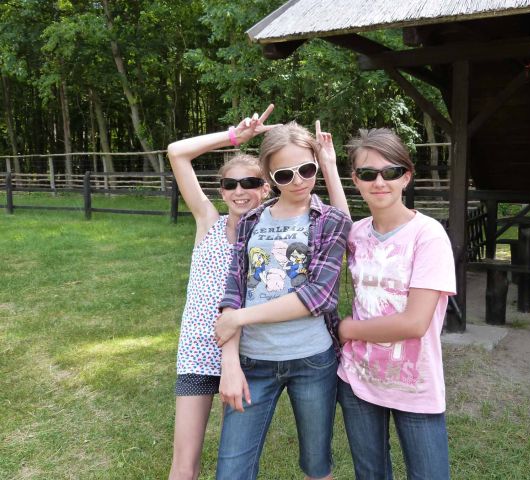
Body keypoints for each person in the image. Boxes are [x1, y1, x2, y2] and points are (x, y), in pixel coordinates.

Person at [213, 121, 352, 480]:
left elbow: (317, 296)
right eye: (285, 174)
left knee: (317, 465)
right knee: (231, 469)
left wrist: (240, 318)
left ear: (317, 165)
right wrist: (230, 363)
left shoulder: (330, 220)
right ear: (270, 177)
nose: (299, 181)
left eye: (307, 169)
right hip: (253, 362)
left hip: (312, 361)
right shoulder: (250, 220)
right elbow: (234, 287)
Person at [337, 128, 456, 480]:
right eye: (367, 173)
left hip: (413, 382)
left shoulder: (428, 235)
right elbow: (337, 219)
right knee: (370, 474)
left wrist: (348, 329)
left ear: (406, 176)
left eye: (390, 172)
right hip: (358, 379)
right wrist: (327, 162)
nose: (379, 182)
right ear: (355, 180)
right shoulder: (356, 234)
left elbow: (414, 323)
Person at [166, 105, 276, 480]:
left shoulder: (273, 234)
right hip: (198, 350)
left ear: (265, 188)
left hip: (247, 353)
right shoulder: (208, 222)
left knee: (235, 464)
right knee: (184, 463)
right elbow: (177, 152)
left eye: (250, 183)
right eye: (230, 185)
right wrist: (234, 137)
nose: (239, 191)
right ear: (222, 191)